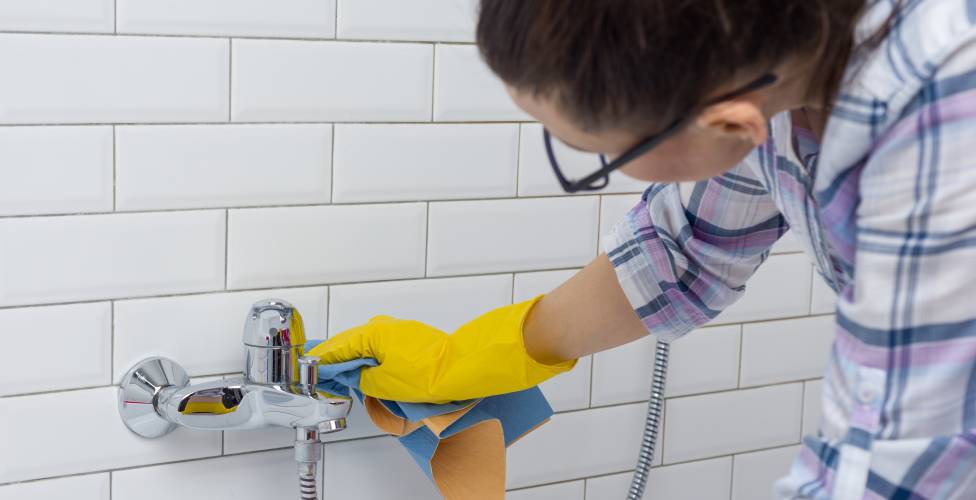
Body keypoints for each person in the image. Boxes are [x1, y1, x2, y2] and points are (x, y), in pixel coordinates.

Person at [308, 0, 976, 497]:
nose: (596, 160)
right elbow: (680, 256)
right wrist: (464, 359)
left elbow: (895, 462)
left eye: (601, 155)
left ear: (730, 121)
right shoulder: (766, 64)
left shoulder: (943, 109)